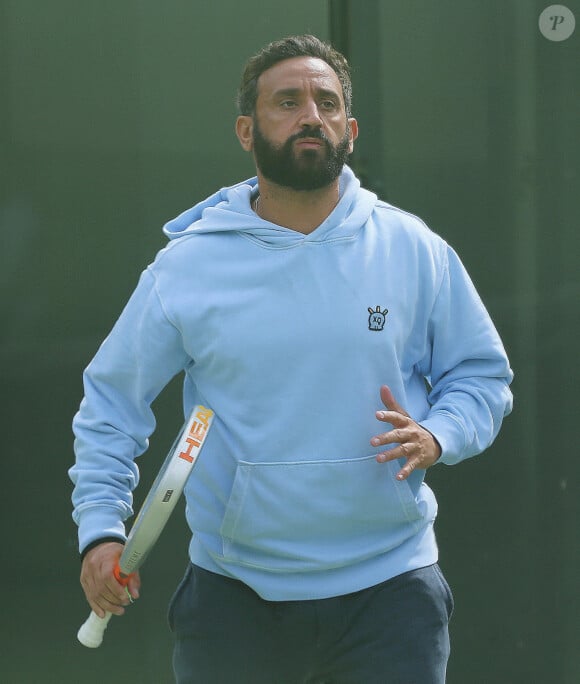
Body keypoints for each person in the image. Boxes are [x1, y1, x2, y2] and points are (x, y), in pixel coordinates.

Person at [70, 34, 513, 683]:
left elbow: (480, 376)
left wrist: (440, 433)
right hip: (233, 599)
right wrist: (101, 530)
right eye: (288, 101)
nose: (312, 115)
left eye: (328, 103)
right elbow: (112, 403)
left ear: (350, 129)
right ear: (247, 130)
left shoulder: (413, 249)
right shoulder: (189, 265)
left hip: (392, 594)